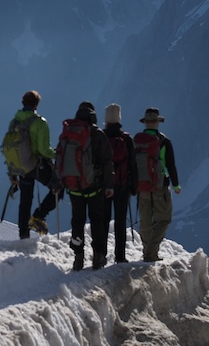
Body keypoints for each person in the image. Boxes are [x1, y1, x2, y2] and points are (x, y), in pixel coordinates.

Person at [58, 101, 114, 270]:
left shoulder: (68, 133)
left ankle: (78, 257)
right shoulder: (97, 134)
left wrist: (59, 182)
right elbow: (107, 162)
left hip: (74, 187)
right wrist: (109, 185)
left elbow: (60, 159)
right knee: (97, 221)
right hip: (94, 187)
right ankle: (98, 256)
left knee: (77, 221)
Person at [9, 90, 58, 239]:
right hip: (38, 166)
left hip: (21, 168)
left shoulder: (14, 122)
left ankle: (23, 235)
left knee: (25, 201)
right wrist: (58, 153)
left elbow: (10, 148)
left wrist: (12, 172)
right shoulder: (40, 122)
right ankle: (38, 216)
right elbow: (44, 150)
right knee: (58, 188)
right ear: (36, 104)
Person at [134, 107, 180, 262]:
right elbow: (170, 165)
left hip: (142, 186)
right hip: (160, 186)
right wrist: (176, 185)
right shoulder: (164, 141)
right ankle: (151, 252)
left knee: (145, 220)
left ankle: (147, 250)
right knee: (163, 219)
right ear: (157, 122)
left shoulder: (137, 141)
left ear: (145, 122)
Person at [101, 103, 137, 263]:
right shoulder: (126, 139)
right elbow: (133, 164)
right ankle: (120, 256)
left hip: (104, 185)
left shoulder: (100, 137)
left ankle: (101, 253)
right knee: (120, 221)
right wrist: (133, 186)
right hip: (122, 186)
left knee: (103, 220)